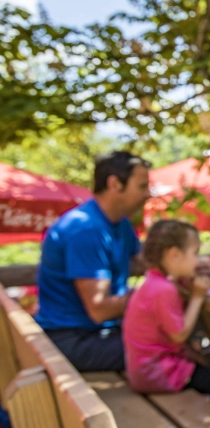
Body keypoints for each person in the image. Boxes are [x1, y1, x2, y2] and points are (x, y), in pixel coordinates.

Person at [36, 152, 151, 372]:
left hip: (96, 333)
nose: (148, 194)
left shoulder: (119, 223)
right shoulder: (86, 230)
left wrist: (183, 262)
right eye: (142, 186)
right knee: (166, 347)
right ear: (115, 184)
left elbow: (149, 261)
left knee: (173, 336)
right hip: (73, 340)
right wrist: (153, 295)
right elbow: (99, 310)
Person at [123, 220, 210, 403]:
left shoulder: (155, 281)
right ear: (174, 255)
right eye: (195, 253)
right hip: (159, 373)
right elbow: (180, 335)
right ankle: (206, 421)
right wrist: (198, 297)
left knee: (209, 368)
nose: (199, 260)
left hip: (145, 370)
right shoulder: (164, 290)